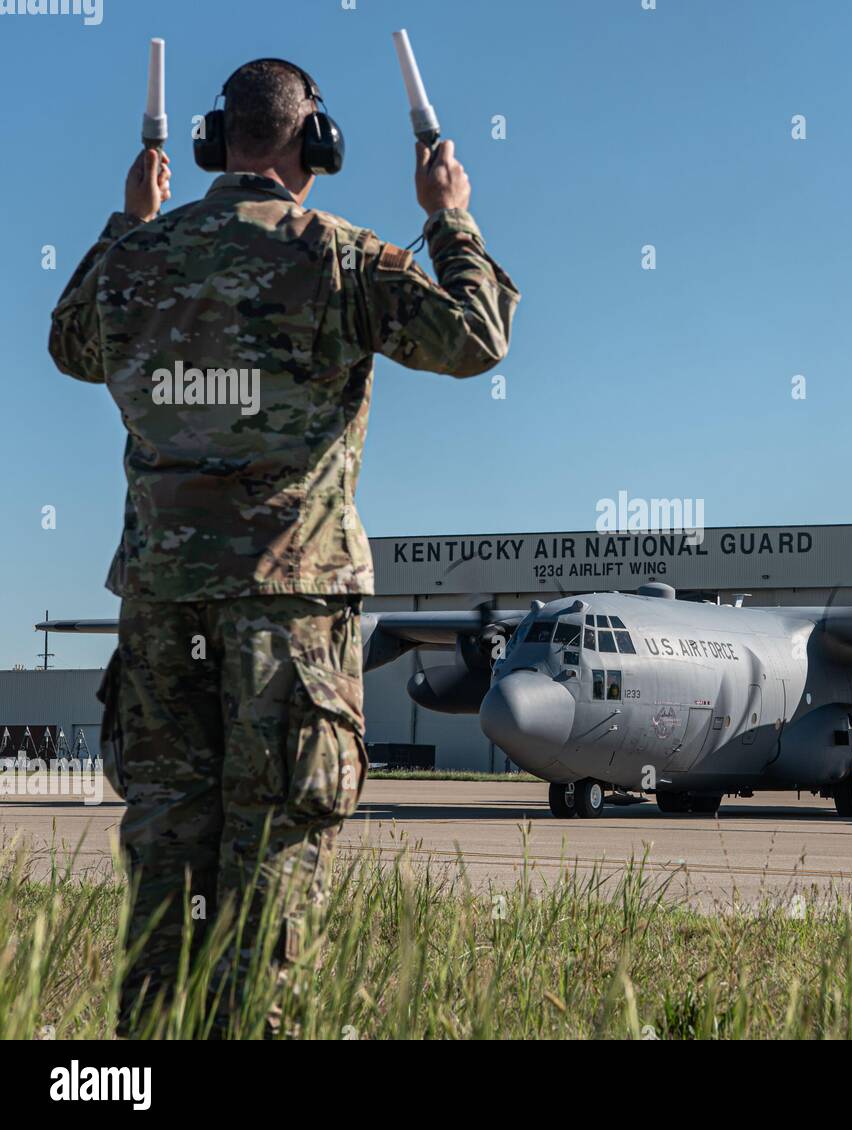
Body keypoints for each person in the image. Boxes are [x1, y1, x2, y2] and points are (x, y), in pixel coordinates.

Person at [48, 58, 518, 1034]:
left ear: (215, 144)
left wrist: (130, 220)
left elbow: (68, 344)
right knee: (270, 863)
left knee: (167, 858)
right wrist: (449, 213)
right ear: (318, 146)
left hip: (162, 608)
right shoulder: (340, 256)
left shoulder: (138, 262)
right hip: (288, 611)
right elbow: (474, 336)